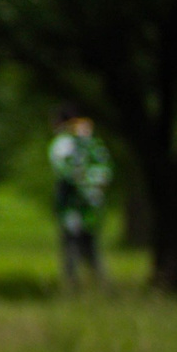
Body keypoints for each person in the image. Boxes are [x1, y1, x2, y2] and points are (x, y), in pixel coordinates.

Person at [49, 106, 112, 289]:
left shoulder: (65, 144)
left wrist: (83, 189)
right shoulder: (93, 144)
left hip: (74, 203)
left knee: (74, 244)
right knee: (87, 245)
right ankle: (95, 282)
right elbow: (104, 173)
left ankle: (75, 283)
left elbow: (65, 173)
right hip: (89, 203)